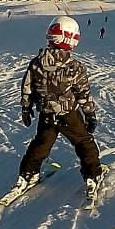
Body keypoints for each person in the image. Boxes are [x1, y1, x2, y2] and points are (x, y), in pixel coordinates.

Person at [14, 16, 102, 199]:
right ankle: (93, 175)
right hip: (68, 114)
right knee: (84, 142)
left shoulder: (37, 63)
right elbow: (83, 94)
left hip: (46, 114)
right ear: (71, 39)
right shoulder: (74, 67)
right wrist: (90, 114)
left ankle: (27, 175)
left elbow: (27, 87)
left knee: (41, 144)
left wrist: (26, 107)